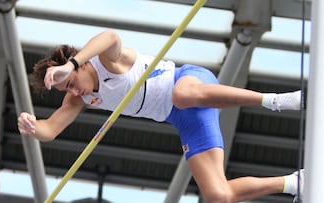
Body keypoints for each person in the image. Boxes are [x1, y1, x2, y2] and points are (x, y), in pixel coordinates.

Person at [17, 29, 304, 203]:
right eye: (67, 90)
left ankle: (276, 101)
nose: (74, 92)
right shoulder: (81, 99)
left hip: (189, 82)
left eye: (70, 83)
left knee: (181, 95)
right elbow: (50, 130)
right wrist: (32, 126)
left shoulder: (106, 60)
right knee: (218, 196)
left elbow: (111, 37)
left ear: (75, 66)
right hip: (185, 120)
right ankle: (293, 183)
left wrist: (71, 64)